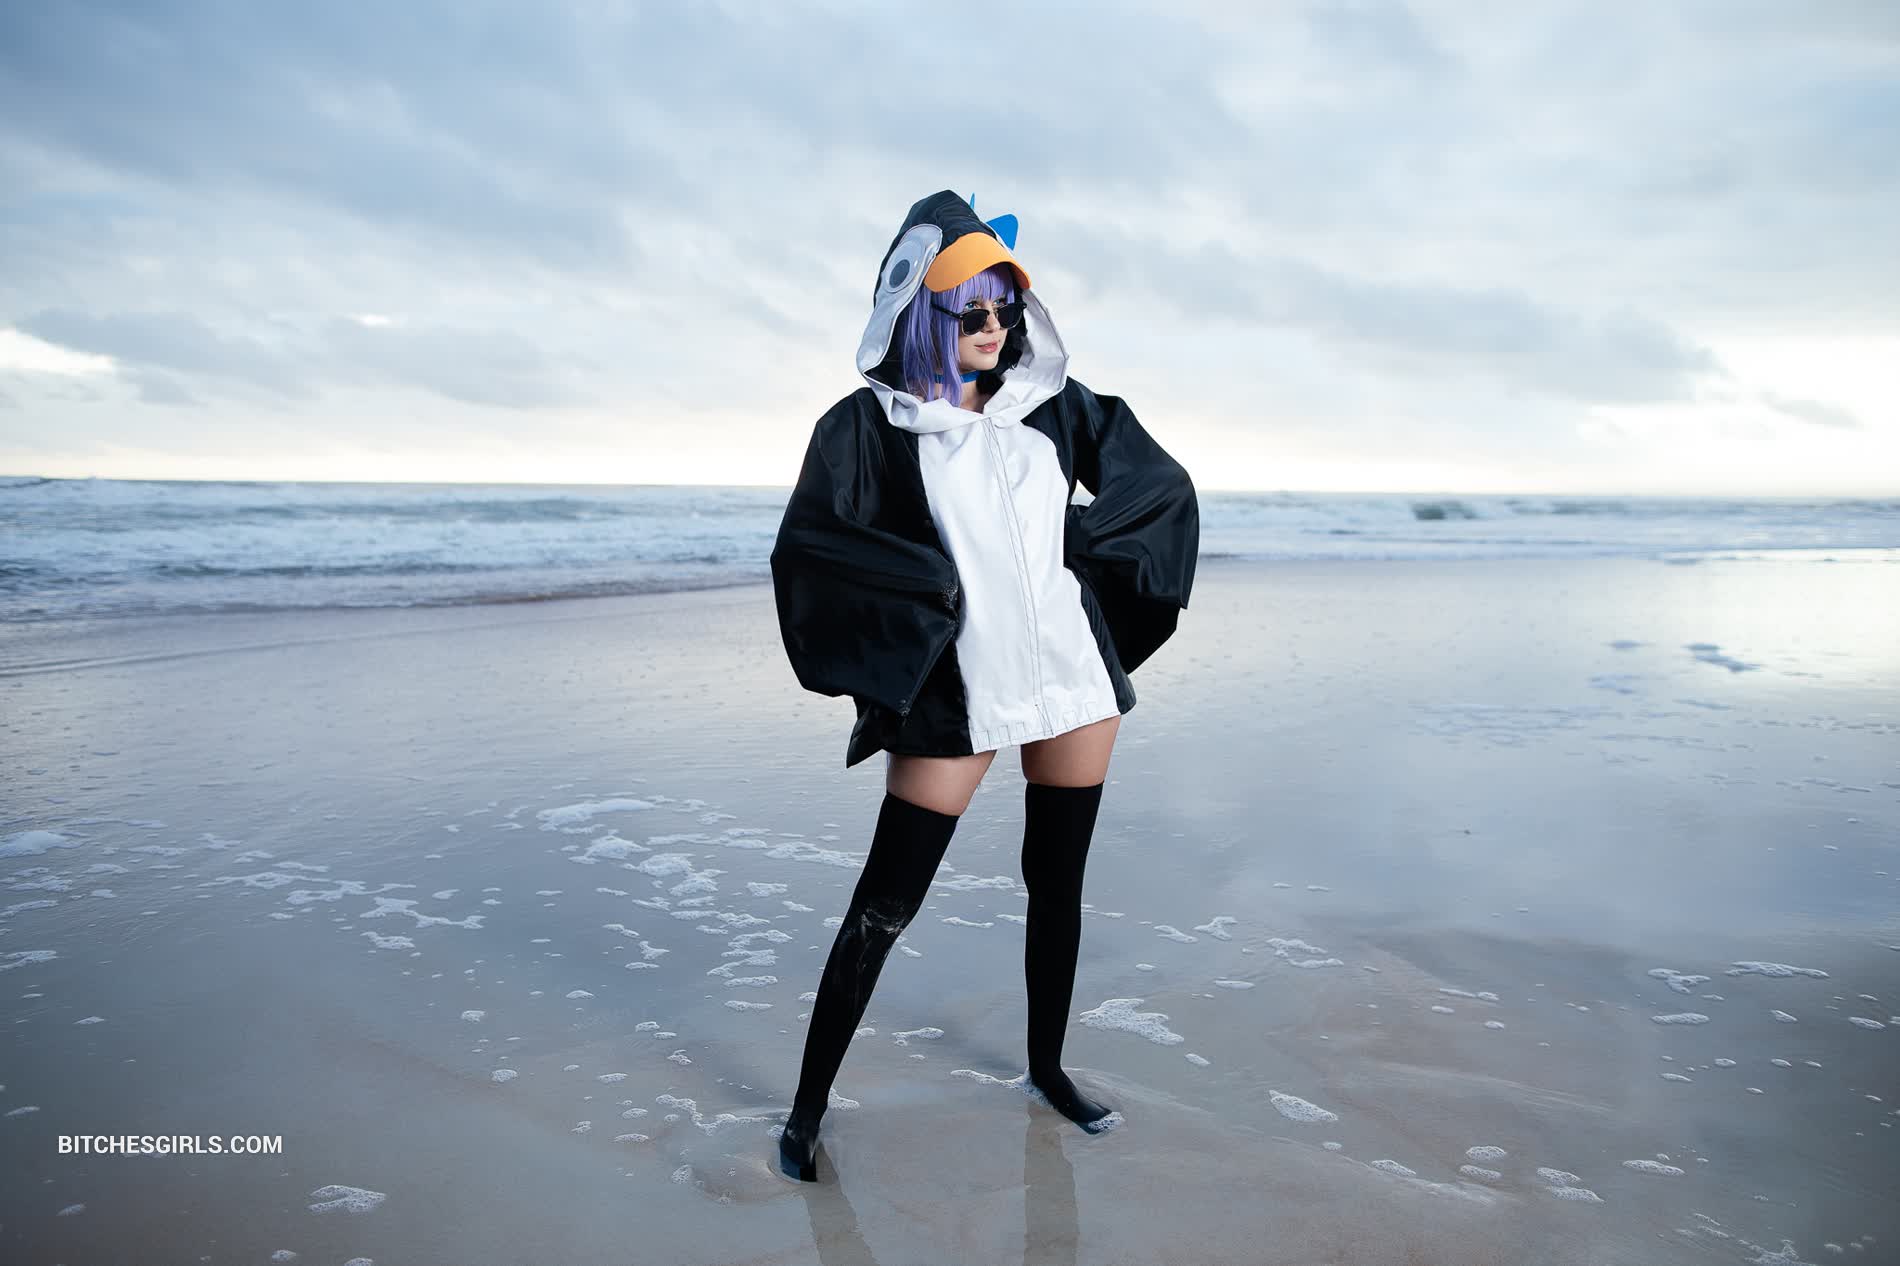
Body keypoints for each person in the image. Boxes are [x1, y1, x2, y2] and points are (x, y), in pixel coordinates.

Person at [768, 190, 1199, 1182]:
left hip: (1073, 682)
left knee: (1058, 884)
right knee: (884, 904)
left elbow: (1158, 486)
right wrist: (928, 600)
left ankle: (1048, 1069)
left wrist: (1079, 552)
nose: (994, 328)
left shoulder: (1056, 408)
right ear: (921, 312)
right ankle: (804, 1113)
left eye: (1005, 310)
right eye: (972, 312)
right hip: (957, 695)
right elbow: (812, 547)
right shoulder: (867, 428)